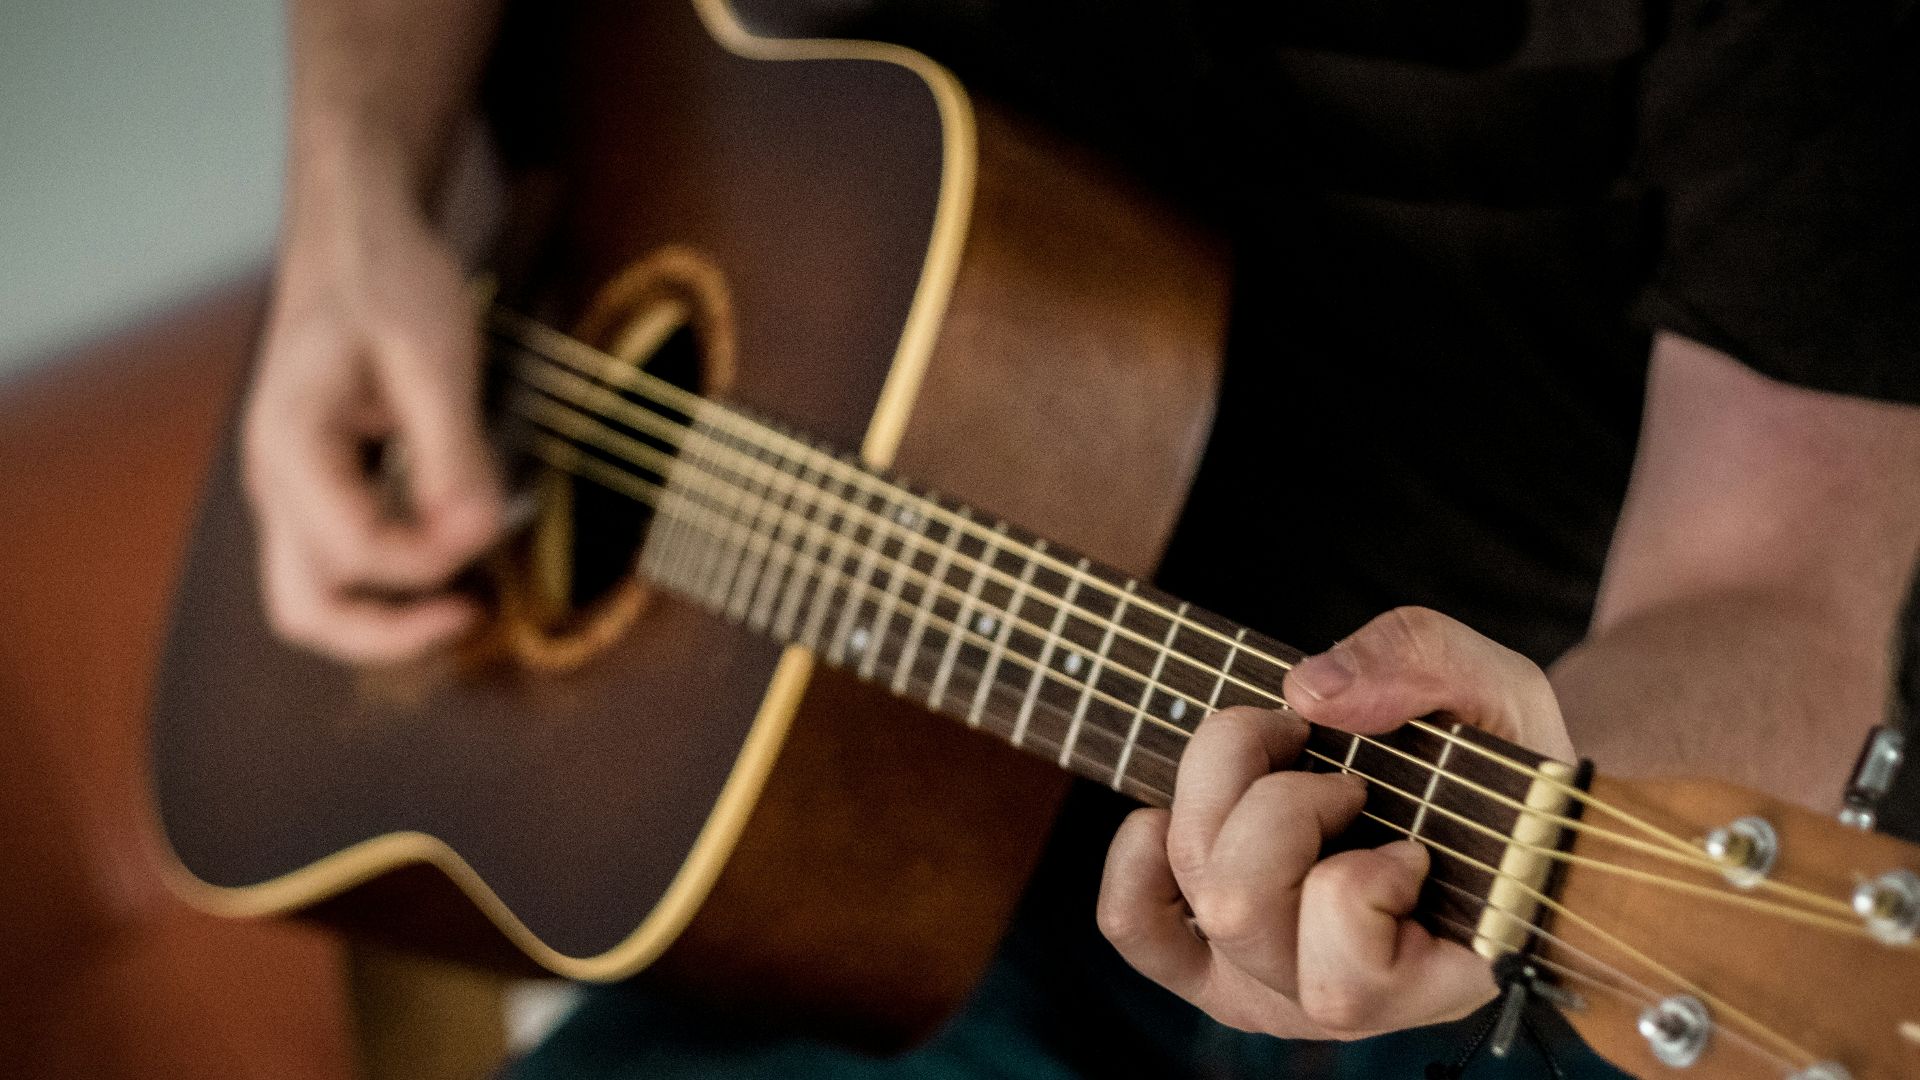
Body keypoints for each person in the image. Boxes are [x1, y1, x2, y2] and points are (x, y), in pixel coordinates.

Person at [242, 0, 1920, 1076]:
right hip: (832, 848)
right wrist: (351, 191)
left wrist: (1540, 808)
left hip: (1408, 890)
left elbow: (1773, 577)